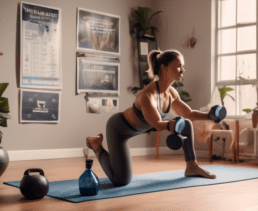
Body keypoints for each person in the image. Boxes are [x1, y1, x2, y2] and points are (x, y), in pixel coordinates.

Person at [86, 49, 218, 187]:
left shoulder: (171, 93)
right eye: (178, 66)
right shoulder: (148, 95)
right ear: (164, 68)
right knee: (121, 180)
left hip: (140, 128)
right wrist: (170, 125)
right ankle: (96, 146)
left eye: (182, 66)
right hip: (119, 129)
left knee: (186, 123)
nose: (182, 70)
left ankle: (192, 166)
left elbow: (188, 113)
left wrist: (209, 116)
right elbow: (158, 124)